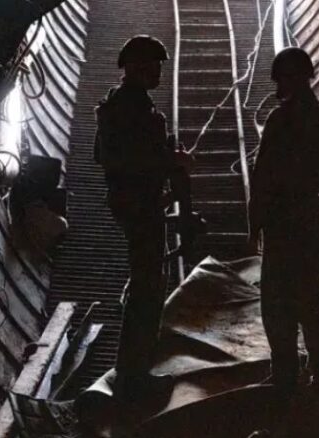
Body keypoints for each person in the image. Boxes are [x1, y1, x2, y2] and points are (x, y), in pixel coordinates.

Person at [93, 35, 193, 399]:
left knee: (146, 284)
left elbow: (108, 156)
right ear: (134, 67)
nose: (158, 72)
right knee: (147, 289)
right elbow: (128, 159)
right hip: (139, 207)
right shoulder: (131, 109)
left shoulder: (121, 105)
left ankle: (135, 370)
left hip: (135, 204)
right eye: (152, 65)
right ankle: (133, 376)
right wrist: (171, 161)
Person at [248, 47, 319, 390]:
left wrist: (255, 224)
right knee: (312, 295)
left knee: (277, 299)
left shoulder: (279, 120)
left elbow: (262, 177)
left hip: (282, 220)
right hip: (309, 216)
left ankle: (286, 371)